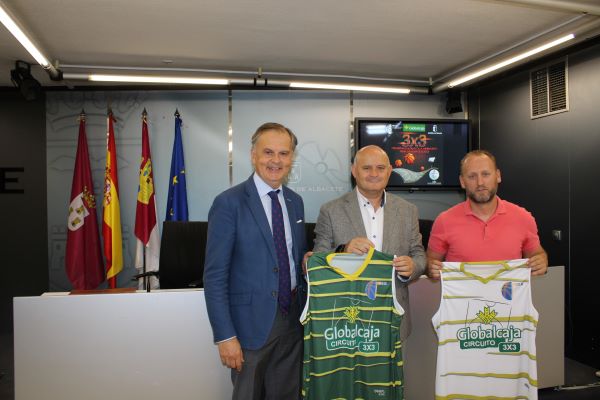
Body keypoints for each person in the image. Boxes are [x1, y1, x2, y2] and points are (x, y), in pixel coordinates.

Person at [204, 122, 306, 400]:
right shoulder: (229, 203)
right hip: (249, 328)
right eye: (268, 152)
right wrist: (225, 337)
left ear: (292, 158)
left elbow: (293, 258)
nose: (276, 161)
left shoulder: (295, 202)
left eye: (284, 154)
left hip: (293, 322)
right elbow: (214, 277)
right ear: (253, 155)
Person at [312, 144, 426, 340]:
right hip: (346, 318)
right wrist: (343, 250)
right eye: (366, 168)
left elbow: (419, 254)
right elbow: (318, 261)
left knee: (394, 372)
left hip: (394, 316)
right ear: (354, 171)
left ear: (389, 171)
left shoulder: (408, 211)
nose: (374, 173)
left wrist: (413, 266)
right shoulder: (330, 211)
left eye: (380, 168)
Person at [427, 149, 548, 278]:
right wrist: (430, 268)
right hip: (463, 298)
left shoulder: (523, 218)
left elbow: (537, 254)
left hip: (508, 296)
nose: (480, 182)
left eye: (485, 174)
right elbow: (430, 261)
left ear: (498, 176)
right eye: (472, 176)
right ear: (462, 182)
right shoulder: (444, 221)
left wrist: (541, 260)